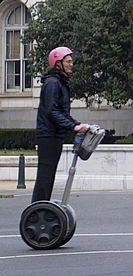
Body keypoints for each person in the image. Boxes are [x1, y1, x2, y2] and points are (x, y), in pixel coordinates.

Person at [33, 47, 91, 202]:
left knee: (49, 174)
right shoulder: (52, 83)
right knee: (45, 175)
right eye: (68, 61)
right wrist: (73, 127)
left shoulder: (59, 83)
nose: (71, 64)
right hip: (48, 135)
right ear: (58, 63)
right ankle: (38, 210)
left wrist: (77, 124)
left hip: (54, 135)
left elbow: (62, 112)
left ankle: (41, 207)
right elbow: (51, 111)